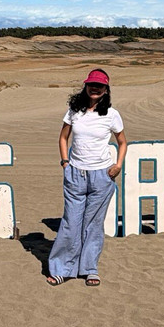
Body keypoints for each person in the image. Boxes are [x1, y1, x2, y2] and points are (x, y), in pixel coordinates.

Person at [46, 68, 127, 287]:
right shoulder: (74, 110)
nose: (95, 88)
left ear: (106, 89)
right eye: (91, 84)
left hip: (102, 176)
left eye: (99, 85)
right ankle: (62, 268)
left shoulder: (111, 114)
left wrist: (118, 165)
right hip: (76, 175)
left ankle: (89, 269)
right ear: (86, 86)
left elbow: (122, 142)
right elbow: (63, 138)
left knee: (93, 224)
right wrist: (65, 162)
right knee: (71, 222)